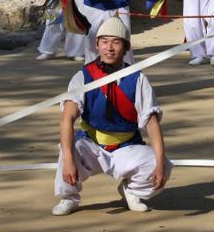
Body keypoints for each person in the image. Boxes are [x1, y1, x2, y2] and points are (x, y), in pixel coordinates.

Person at [52, 16, 172, 216]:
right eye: (104, 42)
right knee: (68, 150)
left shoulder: (137, 79)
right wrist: (68, 160)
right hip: (91, 144)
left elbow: (151, 124)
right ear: (97, 45)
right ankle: (69, 197)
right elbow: (67, 119)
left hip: (125, 146)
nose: (109, 48)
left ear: (125, 48)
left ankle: (131, 191)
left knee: (161, 165)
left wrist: (159, 164)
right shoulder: (83, 77)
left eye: (116, 42)